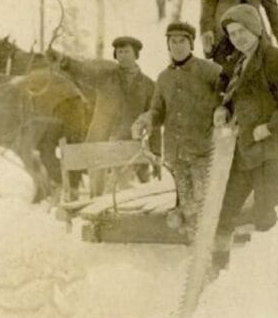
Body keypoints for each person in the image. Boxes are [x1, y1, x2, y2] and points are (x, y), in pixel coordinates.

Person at [211, 4, 278, 271]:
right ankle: (219, 270)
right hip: (245, 151)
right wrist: (224, 107)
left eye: (242, 31)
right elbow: (231, 92)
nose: (238, 38)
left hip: (271, 154)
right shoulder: (239, 62)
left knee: (265, 216)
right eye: (232, 34)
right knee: (224, 212)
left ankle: (269, 279)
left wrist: (271, 127)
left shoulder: (274, 58)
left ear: (256, 29)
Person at [132, 22, 224, 235]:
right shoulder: (164, 78)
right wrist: (144, 121)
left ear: (191, 44)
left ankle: (208, 253)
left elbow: (228, 97)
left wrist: (221, 112)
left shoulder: (209, 71)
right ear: (168, 45)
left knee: (205, 203)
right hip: (176, 153)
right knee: (187, 205)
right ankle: (193, 248)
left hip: (203, 150)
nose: (178, 46)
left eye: (182, 41)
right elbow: (157, 112)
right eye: (173, 41)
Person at [51, 36, 159, 197]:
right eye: (119, 52)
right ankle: (97, 221)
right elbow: (84, 71)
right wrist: (65, 61)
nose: (122, 55)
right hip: (98, 142)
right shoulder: (106, 76)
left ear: (136, 54)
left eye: (126, 51)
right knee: (97, 193)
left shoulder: (149, 86)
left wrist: (157, 153)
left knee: (122, 193)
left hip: (126, 146)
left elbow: (154, 122)